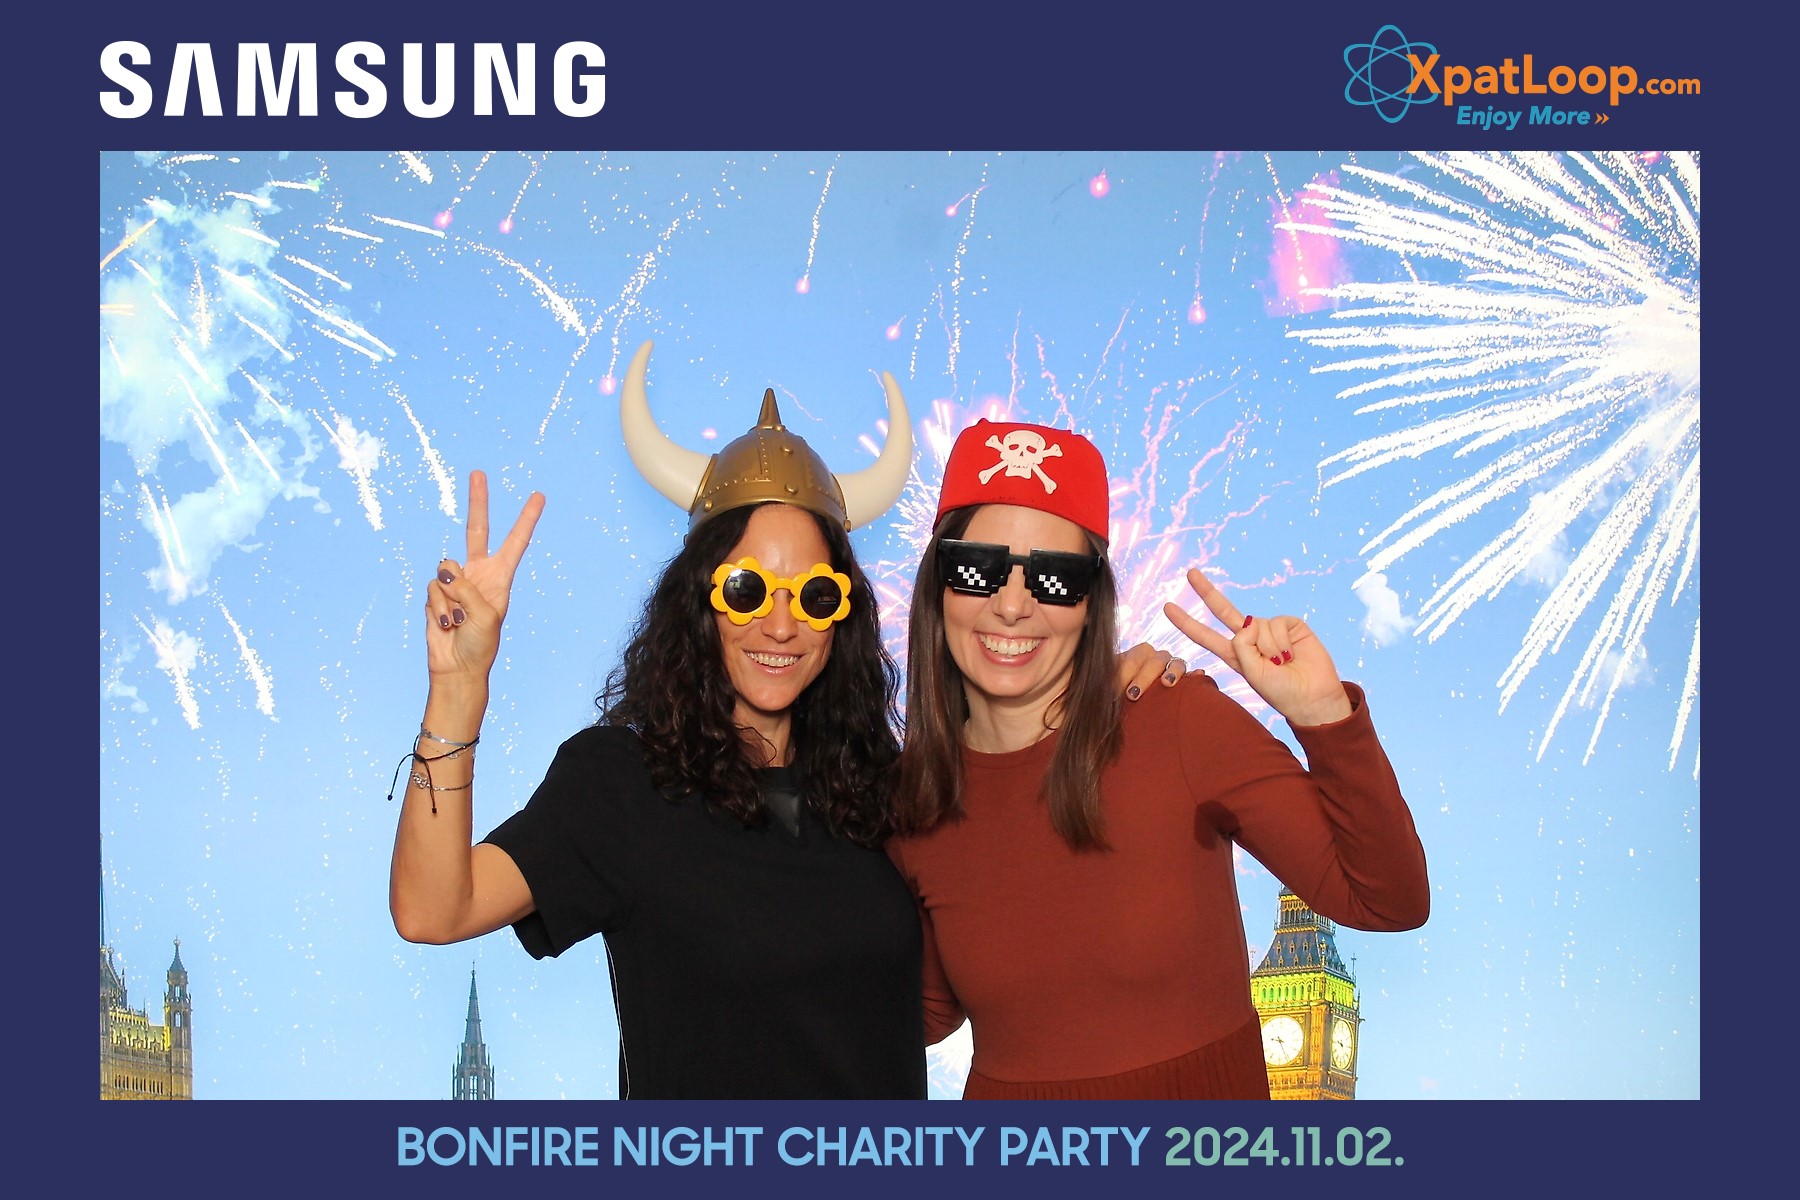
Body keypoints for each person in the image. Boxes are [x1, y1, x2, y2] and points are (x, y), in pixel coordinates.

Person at [388, 344, 1182, 1099]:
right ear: (698, 601)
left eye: (813, 596)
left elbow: (991, 951)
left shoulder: (888, 794)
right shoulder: (620, 782)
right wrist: (457, 687)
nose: (780, 625)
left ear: (844, 615)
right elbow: (432, 910)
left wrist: (1094, 703)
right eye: (746, 591)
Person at [887, 417, 1430, 1099]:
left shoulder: (1176, 721)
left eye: (1055, 578)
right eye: (978, 569)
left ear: (1093, 603)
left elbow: (1388, 901)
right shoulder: (911, 802)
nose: (1013, 606)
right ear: (937, 587)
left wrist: (1325, 717)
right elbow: (922, 1011)